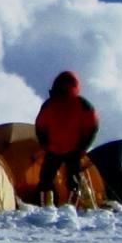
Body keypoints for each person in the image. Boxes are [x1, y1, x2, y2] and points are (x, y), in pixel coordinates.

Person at [35, 71, 99, 206]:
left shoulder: (50, 104)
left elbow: (40, 126)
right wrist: (83, 147)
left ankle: (46, 207)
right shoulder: (82, 104)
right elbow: (93, 126)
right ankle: (71, 208)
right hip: (71, 149)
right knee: (71, 180)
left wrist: (45, 144)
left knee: (48, 180)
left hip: (59, 149)